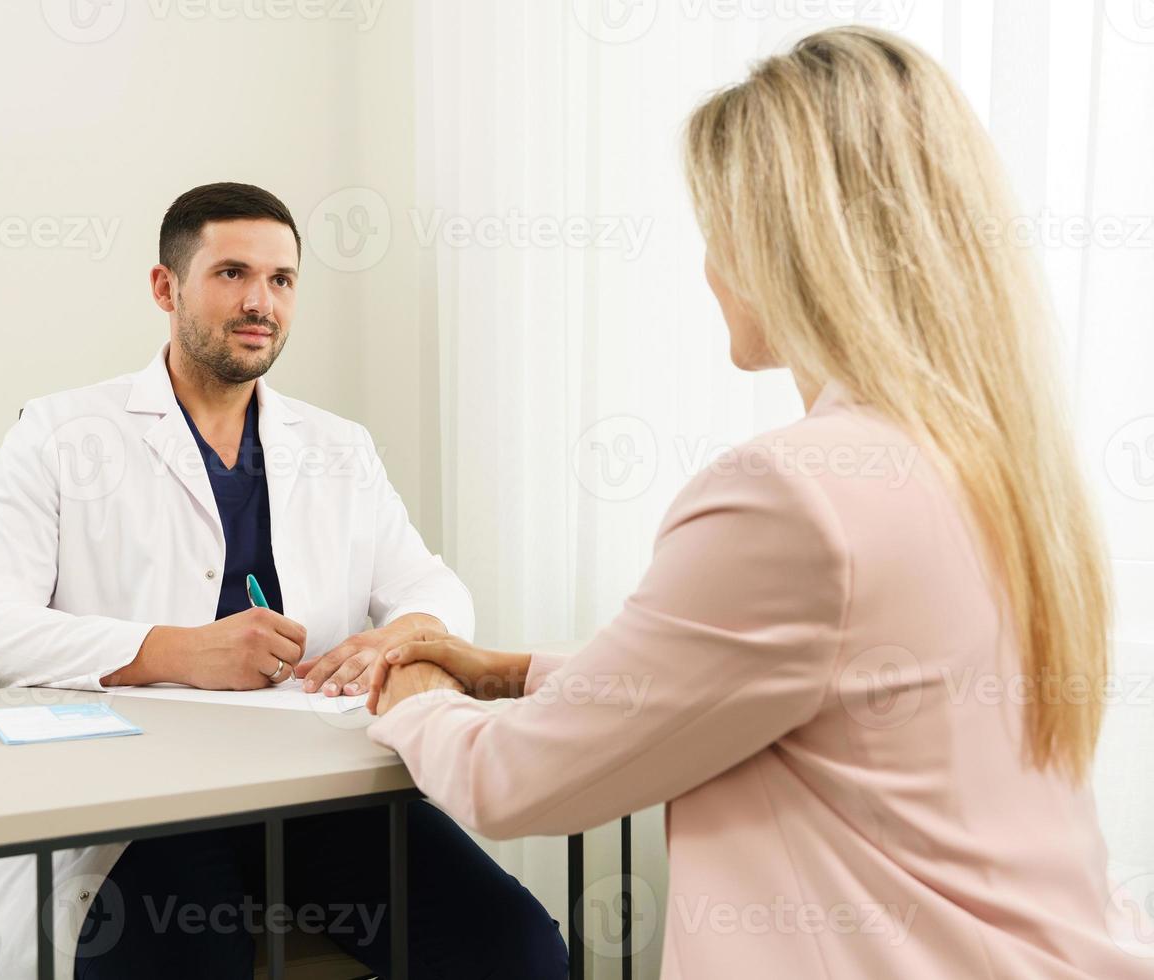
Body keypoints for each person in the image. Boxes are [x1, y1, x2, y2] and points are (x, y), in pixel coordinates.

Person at [364, 26, 1154, 978]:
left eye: (715, 227)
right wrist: (517, 669)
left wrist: (414, 700)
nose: (707, 268)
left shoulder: (792, 494)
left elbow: (513, 782)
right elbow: (818, 682)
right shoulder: (997, 465)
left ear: (787, 241)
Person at [0, 183, 566, 979]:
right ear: (166, 287)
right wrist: (172, 650)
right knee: (188, 961)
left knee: (517, 950)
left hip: (320, 794)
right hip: (145, 805)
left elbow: (431, 587)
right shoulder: (62, 433)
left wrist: (397, 640)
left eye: (282, 280)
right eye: (232, 273)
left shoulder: (337, 445)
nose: (259, 301)